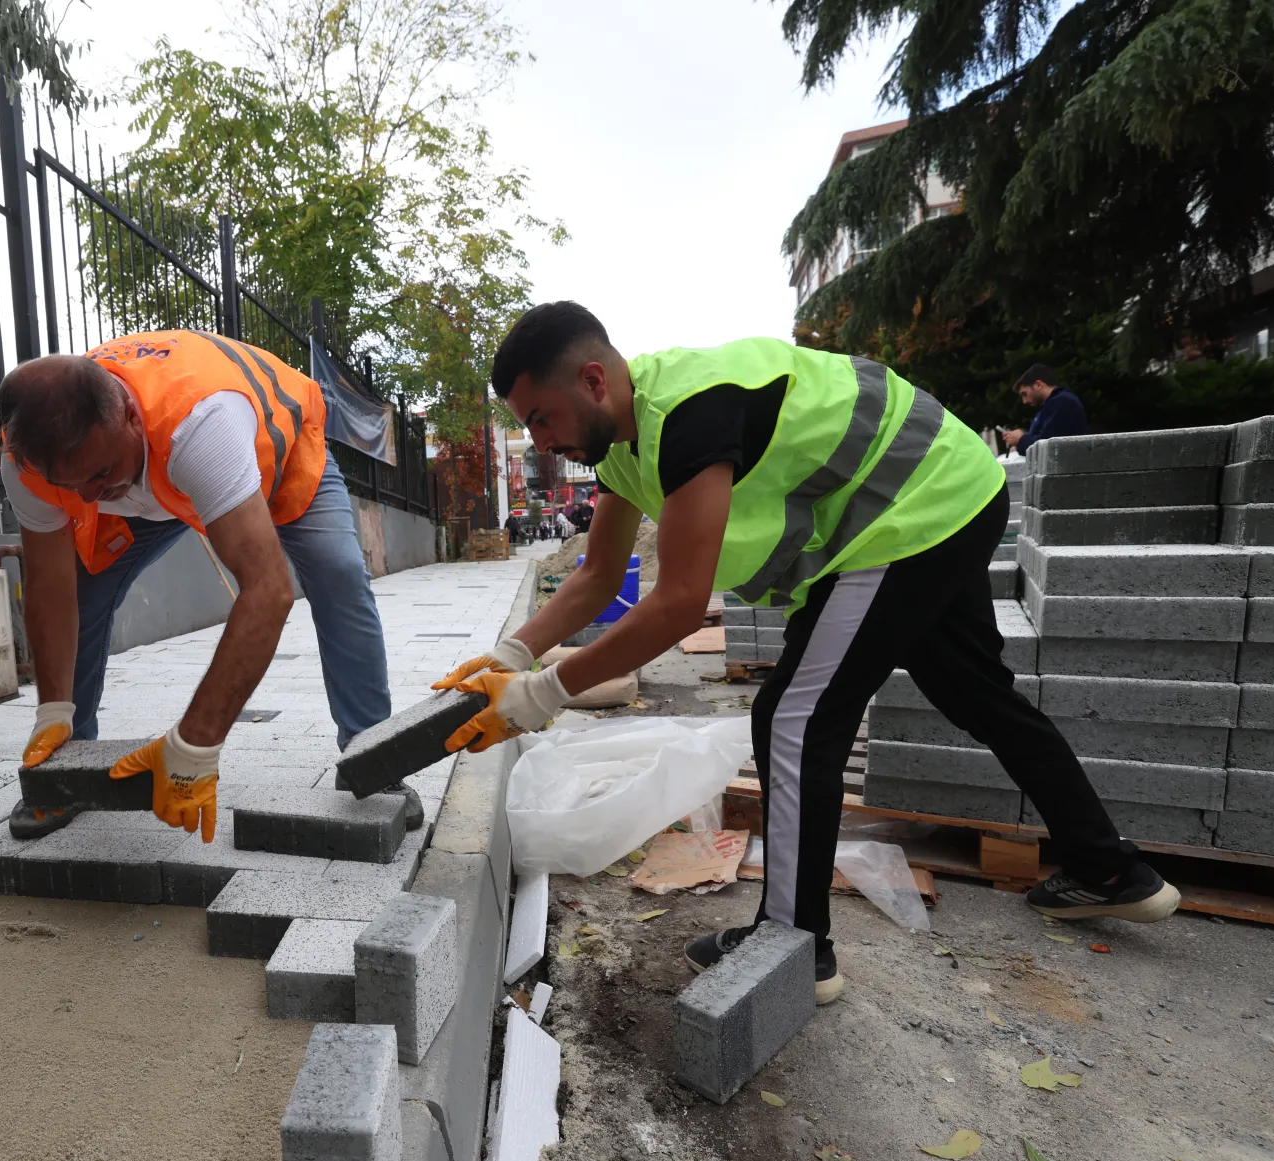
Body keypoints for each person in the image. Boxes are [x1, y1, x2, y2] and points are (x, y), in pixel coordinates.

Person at [433, 302, 1180, 1005]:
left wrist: (538, 697)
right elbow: (599, 574)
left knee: (793, 721)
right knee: (975, 694)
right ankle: (1109, 867)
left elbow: (679, 602)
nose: (538, 442)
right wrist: (510, 653)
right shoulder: (621, 446)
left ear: (593, 381)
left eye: (541, 419)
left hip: (907, 510)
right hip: (954, 492)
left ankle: (793, 943)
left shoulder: (689, 411)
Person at [0, 331, 419, 841]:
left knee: (340, 576)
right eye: (71, 486)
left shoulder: (202, 423)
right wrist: (51, 711)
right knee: (84, 593)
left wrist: (194, 745)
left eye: (100, 473)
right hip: (150, 482)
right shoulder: (29, 461)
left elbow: (268, 590)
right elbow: (49, 585)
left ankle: (371, 755)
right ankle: (64, 765)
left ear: (130, 415)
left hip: (275, 459)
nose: (88, 497)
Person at [1004, 364, 1088, 455]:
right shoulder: (1051, 405)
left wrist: (1021, 439)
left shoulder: (1063, 402)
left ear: (1038, 385)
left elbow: (1050, 447)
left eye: (1025, 394)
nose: (1024, 401)